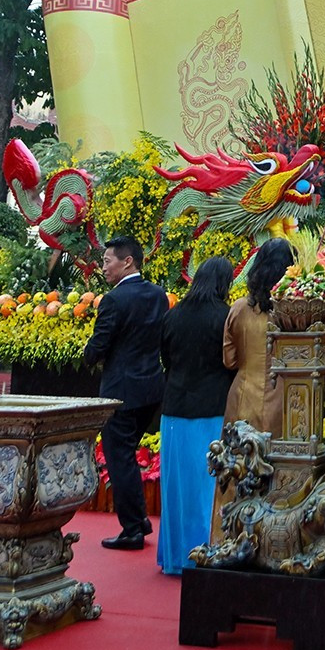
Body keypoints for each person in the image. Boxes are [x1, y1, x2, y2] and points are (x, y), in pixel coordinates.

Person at [83, 235, 168, 551]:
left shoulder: (114, 300)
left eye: (107, 261)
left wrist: (88, 354)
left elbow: (100, 344)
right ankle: (140, 521)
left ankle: (133, 528)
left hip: (120, 390)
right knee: (126, 455)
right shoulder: (158, 295)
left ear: (127, 261)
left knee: (119, 458)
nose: (103, 267)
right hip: (151, 388)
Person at [156, 256, 236, 575]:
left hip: (175, 408)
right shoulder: (225, 316)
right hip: (213, 409)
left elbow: (166, 358)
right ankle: (208, 553)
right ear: (224, 283)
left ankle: (176, 557)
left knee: (177, 488)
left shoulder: (173, 315)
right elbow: (232, 361)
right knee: (210, 487)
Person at [222, 237, 294, 432]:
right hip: (287, 402)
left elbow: (229, 360)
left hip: (243, 398)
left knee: (241, 459)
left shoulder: (239, 308)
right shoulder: (297, 312)